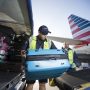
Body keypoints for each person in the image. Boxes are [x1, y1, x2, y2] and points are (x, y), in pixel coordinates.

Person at [25, 25, 57, 90]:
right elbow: (23, 51)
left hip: (44, 67)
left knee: (42, 84)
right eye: (43, 33)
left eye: (46, 34)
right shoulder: (31, 39)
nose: (45, 35)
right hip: (32, 66)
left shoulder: (49, 42)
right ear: (39, 32)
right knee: (30, 84)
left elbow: (56, 52)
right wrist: (23, 63)